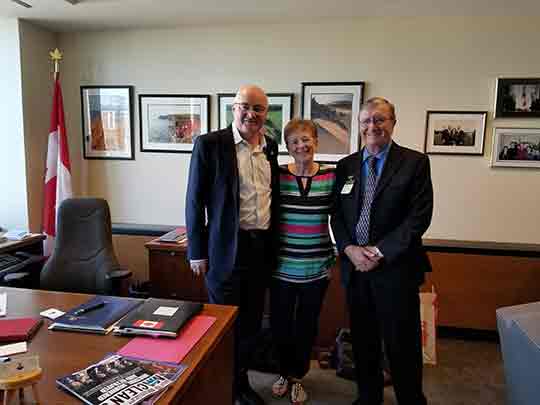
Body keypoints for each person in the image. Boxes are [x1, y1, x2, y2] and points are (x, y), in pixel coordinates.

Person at [331, 97, 433, 405]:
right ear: (359, 125)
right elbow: (337, 214)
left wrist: (375, 252)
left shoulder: (414, 162)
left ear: (393, 122)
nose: (372, 126)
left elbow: (418, 218)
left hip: (396, 270)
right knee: (364, 343)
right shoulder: (346, 166)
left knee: (402, 344)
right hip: (356, 271)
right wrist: (349, 249)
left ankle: (411, 400)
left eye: (379, 119)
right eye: (366, 121)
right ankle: (368, 397)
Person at [185, 85, 279, 405]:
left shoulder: (271, 146)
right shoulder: (210, 144)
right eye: (245, 106)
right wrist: (196, 250)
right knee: (223, 324)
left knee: (251, 324)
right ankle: (222, 387)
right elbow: (195, 201)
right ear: (233, 108)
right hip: (225, 250)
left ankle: (240, 384)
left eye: (259, 109)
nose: (251, 114)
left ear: (266, 114)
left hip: (261, 249)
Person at [270, 119, 336, 405]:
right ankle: (283, 373)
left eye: (307, 139)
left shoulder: (332, 177)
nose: (302, 145)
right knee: (281, 326)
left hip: (316, 269)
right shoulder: (277, 175)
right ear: (288, 146)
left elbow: (343, 219)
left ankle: (298, 377)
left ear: (316, 142)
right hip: (281, 268)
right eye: (295, 141)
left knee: (306, 327)